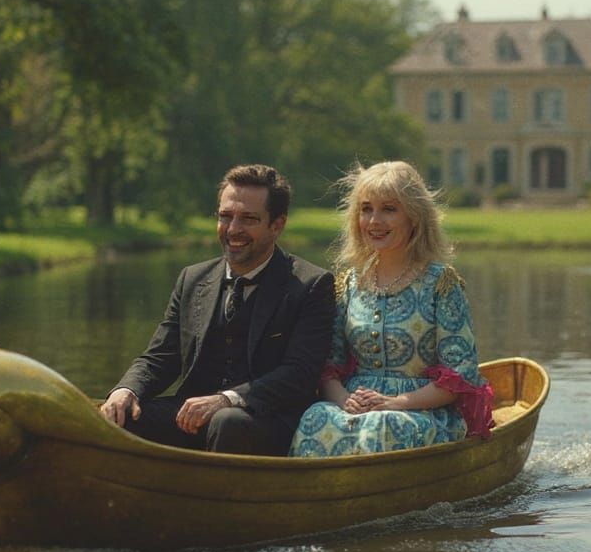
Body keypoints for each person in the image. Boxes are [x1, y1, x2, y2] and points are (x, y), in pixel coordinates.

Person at [100, 163, 335, 455]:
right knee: (120, 417)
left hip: (265, 419)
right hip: (190, 416)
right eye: (225, 216)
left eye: (248, 219)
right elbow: (160, 357)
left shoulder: (312, 284)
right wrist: (127, 390)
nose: (233, 229)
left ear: (277, 225)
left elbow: (299, 374)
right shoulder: (192, 278)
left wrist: (227, 399)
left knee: (227, 422)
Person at [289, 160, 493, 457]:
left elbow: (460, 375)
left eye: (389, 209)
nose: (374, 221)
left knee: (384, 426)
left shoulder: (441, 284)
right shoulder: (348, 284)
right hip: (355, 405)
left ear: (414, 217)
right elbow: (328, 367)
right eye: (366, 209)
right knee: (315, 417)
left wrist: (395, 402)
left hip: (421, 409)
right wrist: (345, 400)